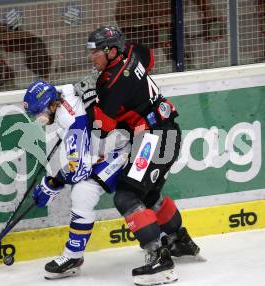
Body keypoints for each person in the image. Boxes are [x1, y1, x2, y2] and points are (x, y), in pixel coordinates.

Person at [85, 26, 200, 285]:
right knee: (149, 195)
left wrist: (91, 99)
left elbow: (103, 127)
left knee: (127, 196)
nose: (91, 58)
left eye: (95, 52)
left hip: (154, 139)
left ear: (111, 51)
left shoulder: (113, 82)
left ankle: (160, 260)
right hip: (168, 132)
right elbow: (150, 57)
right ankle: (179, 241)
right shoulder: (134, 53)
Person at [23, 80, 129, 279]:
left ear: (52, 105)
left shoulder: (71, 121)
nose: (40, 118)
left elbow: (79, 170)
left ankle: (73, 257)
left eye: (41, 113)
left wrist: (52, 184)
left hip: (123, 149)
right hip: (108, 146)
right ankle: (175, 235)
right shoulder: (64, 93)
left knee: (82, 192)